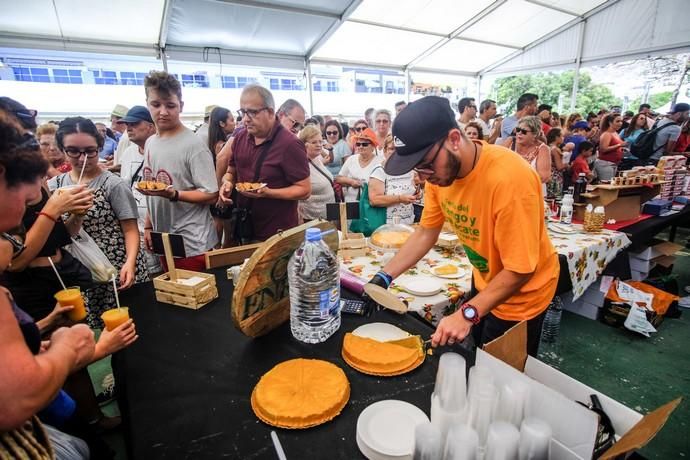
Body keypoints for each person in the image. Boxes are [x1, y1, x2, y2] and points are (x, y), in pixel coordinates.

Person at [366, 96, 558, 357]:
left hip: (523, 297)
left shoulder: (511, 179)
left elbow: (520, 269)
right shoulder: (438, 175)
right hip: (485, 279)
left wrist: (467, 313)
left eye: (425, 165)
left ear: (454, 139)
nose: (423, 177)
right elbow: (425, 232)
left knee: (501, 377)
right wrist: (383, 277)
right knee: (474, 357)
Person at [0, 111, 95, 459]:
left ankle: (92, 419)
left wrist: (76, 215)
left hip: (59, 279)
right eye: (23, 197)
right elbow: (16, 398)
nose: (29, 196)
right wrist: (67, 348)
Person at [48, 117, 149, 328]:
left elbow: (130, 229)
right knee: (92, 326)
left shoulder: (113, 184)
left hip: (116, 267)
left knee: (128, 324)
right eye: (73, 150)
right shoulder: (56, 186)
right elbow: (61, 234)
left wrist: (130, 263)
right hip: (81, 268)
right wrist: (77, 214)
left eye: (90, 151)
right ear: (62, 149)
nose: (82, 158)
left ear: (99, 148)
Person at [139, 71, 219, 269]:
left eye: (170, 105)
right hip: (164, 239)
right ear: (147, 103)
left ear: (181, 106)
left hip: (193, 242)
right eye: (156, 105)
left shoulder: (194, 145)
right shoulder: (150, 142)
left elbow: (211, 194)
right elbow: (151, 188)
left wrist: (174, 194)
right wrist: (149, 226)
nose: (163, 112)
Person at [219, 84, 310, 242]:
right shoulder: (240, 138)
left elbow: (304, 190)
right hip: (243, 227)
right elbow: (231, 171)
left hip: (276, 234)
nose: (246, 118)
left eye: (252, 112)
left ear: (270, 112)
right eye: (243, 112)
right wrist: (226, 183)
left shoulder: (290, 144)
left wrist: (268, 193)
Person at [116, 106, 162, 274]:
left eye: (134, 123)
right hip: (136, 228)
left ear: (151, 126)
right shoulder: (128, 153)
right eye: (127, 124)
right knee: (148, 274)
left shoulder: (163, 151)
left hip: (162, 228)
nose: (129, 128)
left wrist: (150, 226)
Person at [368, 133, 419, 225]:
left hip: (408, 222)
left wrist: (417, 194)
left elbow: (413, 189)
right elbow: (374, 200)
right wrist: (400, 199)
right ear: (385, 151)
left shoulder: (409, 169)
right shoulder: (379, 171)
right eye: (392, 149)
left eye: (399, 149)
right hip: (386, 225)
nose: (396, 152)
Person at [502, 116, 551, 188]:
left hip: (531, 191)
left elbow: (544, 177)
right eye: (518, 130)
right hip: (508, 189)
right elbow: (497, 163)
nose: (519, 133)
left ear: (535, 134)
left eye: (524, 132)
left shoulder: (543, 149)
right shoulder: (510, 142)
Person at [335, 128, 382, 202]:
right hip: (351, 203)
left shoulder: (380, 161)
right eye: (358, 144)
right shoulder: (351, 159)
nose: (360, 146)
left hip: (371, 204)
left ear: (373, 146)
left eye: (365, 144)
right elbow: (338, 178)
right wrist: (351, 182)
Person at [298, 125, 335, 221]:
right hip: (312, 219)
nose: (319, 145)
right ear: (304, 144)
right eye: (314, 142)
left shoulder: (317, 159)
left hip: (327, 215)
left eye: (320, 141)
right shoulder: (300, 164)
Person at [595, 113, 626, 180]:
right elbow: (603, 149)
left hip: (614, 164)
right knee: (607, 185)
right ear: (610, 123)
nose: (620, 123)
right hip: (606, 164)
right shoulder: (607, 134)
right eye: (617, 121)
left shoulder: (615, 133)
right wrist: (619, 145)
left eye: (621, 121)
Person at [546, 128, 567, 197]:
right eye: (562, 136)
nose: (563, 138)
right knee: (555, 198)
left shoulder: (547, 147)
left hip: (548, 175)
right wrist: (567, 165)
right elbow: (559, 167)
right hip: (555, 177)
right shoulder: (555, 149)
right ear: (557, 137)